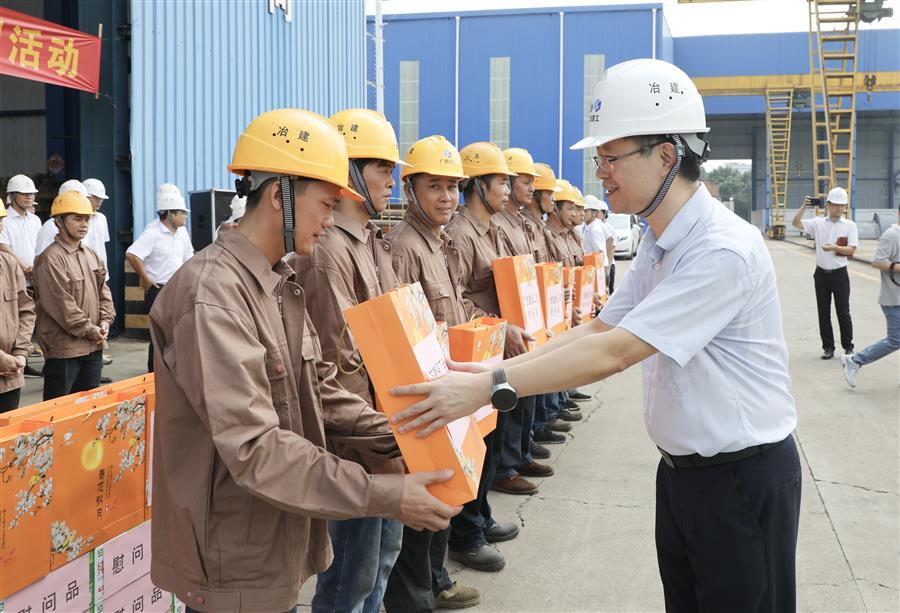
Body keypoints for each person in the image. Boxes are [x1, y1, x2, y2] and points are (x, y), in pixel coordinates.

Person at [390, 58, 801, 612]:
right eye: (599, 158)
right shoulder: (660, 241)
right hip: (683, 476)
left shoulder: (721, 249)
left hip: (740, 481)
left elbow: (617, 350)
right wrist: (491, 370)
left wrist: (490, 388)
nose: (601, 173)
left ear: (666, 155)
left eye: (611, 157)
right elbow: (600, 326)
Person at [148, 108, 460, 613]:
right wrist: (386, 493)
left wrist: (402, 433)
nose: (331, 220)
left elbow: (318, 388)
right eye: (327, 204)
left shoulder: (277, 283)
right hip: (232, 553)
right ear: (280, 196)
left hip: (274, 529)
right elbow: (255, 447)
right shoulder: (213, 296)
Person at [290, 108, 406, 613]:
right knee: (350, 577)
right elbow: (338, 368)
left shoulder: (373, 243)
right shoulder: (328, 251)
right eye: (381, 168)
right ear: (348, 170)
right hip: (358, 444)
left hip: (385, 427)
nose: (391, 180)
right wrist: (378, 444)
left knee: (381, 560)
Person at [32, 191, 114, 400]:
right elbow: (62, 306)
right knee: (59, 410)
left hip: (94, 345)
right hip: (64, 349)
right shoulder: (51, 259)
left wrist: (105, 322)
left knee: (88, 408)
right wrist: (92, 330)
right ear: (59, 222)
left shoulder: (91, 255)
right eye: (77, 219)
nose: (84, 224)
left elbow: (104, 292)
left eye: (87, 219)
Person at [126, 185, 194, 372]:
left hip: (178, 289)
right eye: (182, 212)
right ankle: (154, 374)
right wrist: (145, 278)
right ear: (170, 214)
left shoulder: (181, 233)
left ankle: (173, 372)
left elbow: (189, 258)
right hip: (159, 291)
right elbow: (132, 254)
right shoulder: (153, 233)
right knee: (159, 337)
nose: (185, 216)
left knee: (178, 334)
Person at [792, 187, 858, 359]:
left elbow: (852, 249)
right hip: (821, 274)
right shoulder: (818, 223)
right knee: (823, 312)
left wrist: (835, 247)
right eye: (835, 205)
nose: (839, 208)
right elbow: (796, 223)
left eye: (842, 205)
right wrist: (804, 207)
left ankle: (848, 346)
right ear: (828, 205)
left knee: (843, 311)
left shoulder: (850, 226)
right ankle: (828, 347)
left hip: (840, 274)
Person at [841, 205, 900, 387]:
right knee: (895, 339)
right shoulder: (891, 235)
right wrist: (897, 267)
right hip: (893, 298)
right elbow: (877, 262)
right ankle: (855, 360)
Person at [0, 202, 35, 412]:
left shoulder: (9, 264)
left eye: (0, 220)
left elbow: (26, 310)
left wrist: (21, 354)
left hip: (11, 376)